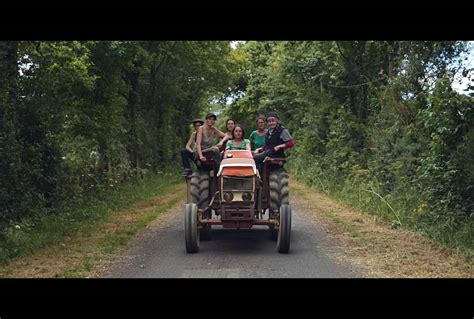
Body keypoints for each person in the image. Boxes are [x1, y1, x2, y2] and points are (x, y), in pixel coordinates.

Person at [253, 111, 295, 176]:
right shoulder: (269, 132)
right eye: (269, 121)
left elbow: (291, 143)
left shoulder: (282, 130)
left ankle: (259, 179)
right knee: (256, 157)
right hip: (268, 151)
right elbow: (267, 144)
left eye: (273, 120)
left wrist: (280, 146)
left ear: (277, 120)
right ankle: (262, 177)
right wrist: (260, 148)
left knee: (255, 158)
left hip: (276, 153)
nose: (271, 123)